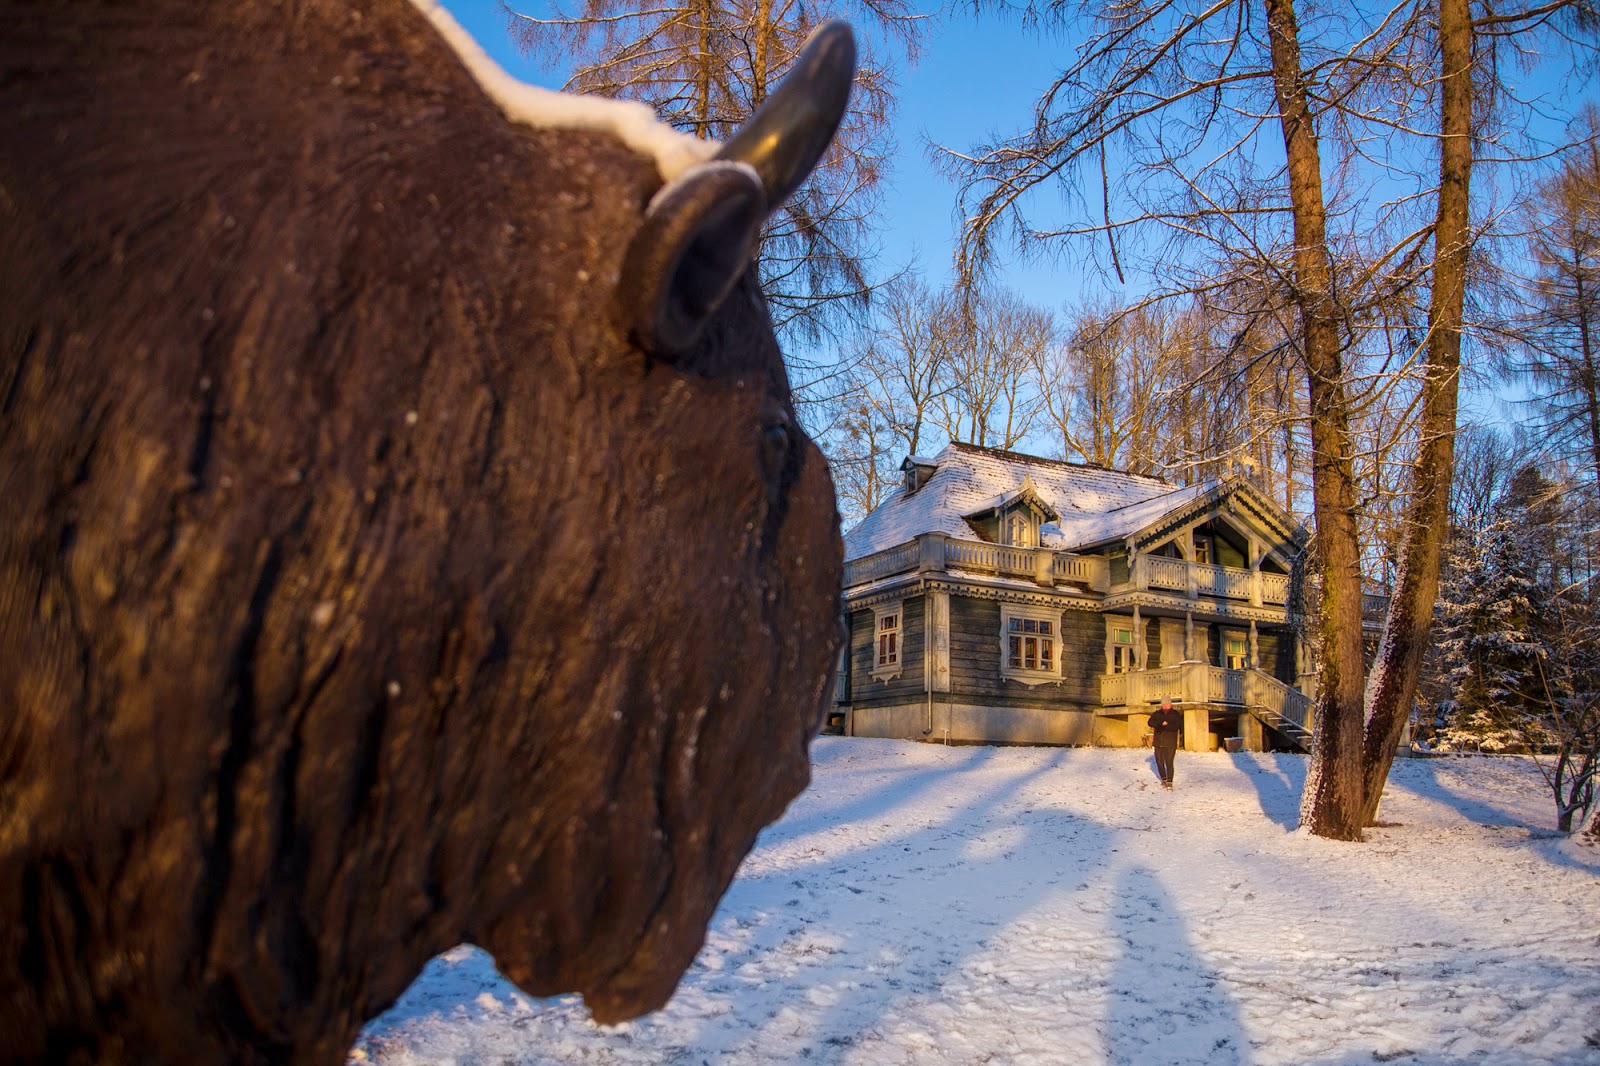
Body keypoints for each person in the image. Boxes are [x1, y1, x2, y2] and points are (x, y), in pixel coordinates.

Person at [1149, 698, 1183, 789]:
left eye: (1167, 704)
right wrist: (1160, 723)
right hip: (1158, 742)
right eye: (1164, 704)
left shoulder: (1175, 714)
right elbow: (1150, 722)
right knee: (1159, 761)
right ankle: (1163, 778)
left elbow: (1178, 725)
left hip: (1170, 742)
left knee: (1169, 762)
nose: (1165, 706)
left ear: (1170, 704)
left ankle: (1169, 781)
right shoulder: (1157, 714)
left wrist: (1167, 726)